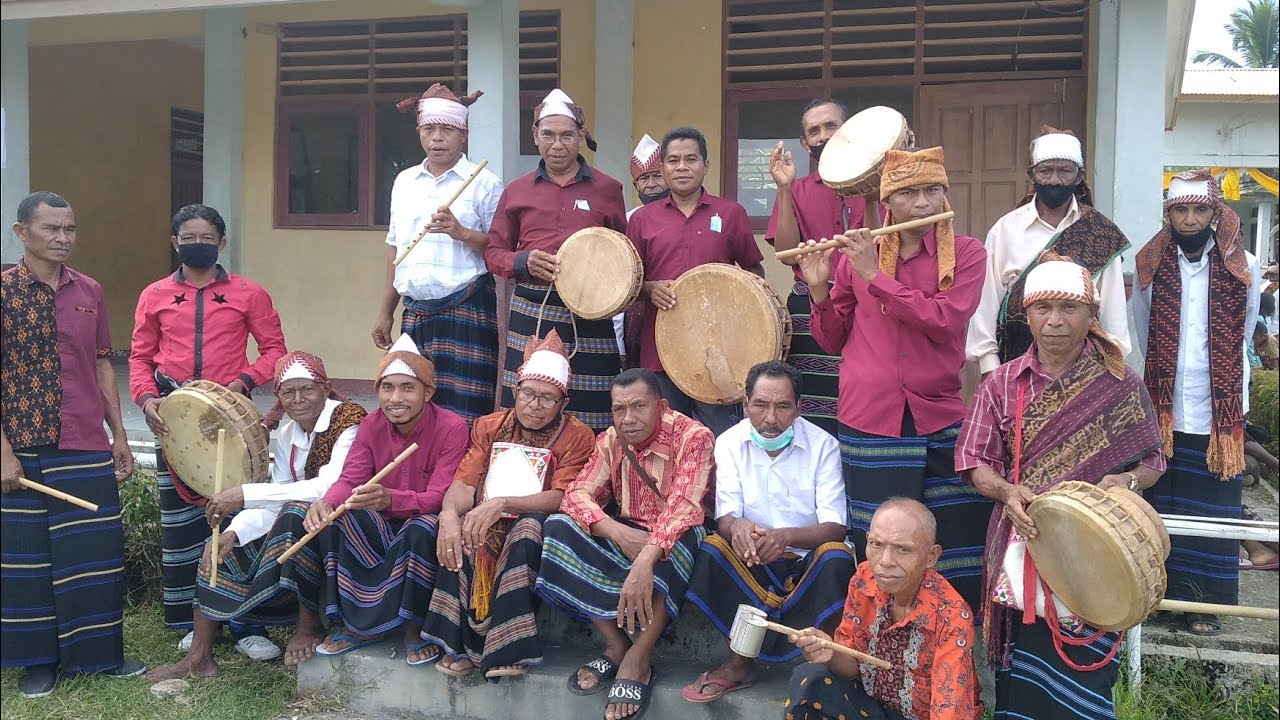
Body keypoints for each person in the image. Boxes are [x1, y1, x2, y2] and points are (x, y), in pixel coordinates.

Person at [956, 256, 1165, 719]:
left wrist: (1125, 482)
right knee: (1021, 672)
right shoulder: (1000, 385)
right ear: (1025, 316)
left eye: (1069, 309)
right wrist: (1008, 492)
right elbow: (972, 462)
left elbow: (1153, 460)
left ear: (1092, 315)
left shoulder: (1120, 384)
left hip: (1094, 551)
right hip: (1021, 542)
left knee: (1085, 673)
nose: (1054, 321)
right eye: (1042, 308)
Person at [795, 146, 992, 611]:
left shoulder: (967, 253)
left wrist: (874, 276)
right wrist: (820, 287)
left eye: (933, 190)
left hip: (939, 415)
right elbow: (831, 339)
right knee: (882, 542)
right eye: (909, 193)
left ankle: (950, 636)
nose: (923, 202)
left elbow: (945, 319)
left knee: (955, 536)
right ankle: (879, 635)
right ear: (888, 202)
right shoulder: (856, 256)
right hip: (870, 418)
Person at [144, 351, 366, 680]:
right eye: (288, 392)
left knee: (294, 515)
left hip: (346, 525)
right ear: (278, 397)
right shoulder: (290, 433)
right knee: (220, 543)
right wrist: (236, 531)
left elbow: (328, 487)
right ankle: (200, 656)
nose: (298, 399)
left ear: (325, 388)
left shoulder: (349, 420)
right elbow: (275, 498)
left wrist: (245, 493)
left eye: (307, 389)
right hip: (302, 520)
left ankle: (309, 625)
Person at [1, 192, 144, 697]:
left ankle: (99, 656)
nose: (63, 238)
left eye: (70, 229)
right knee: (28, 559)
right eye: (51, 229)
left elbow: (104, 361)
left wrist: (119, 434)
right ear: (23, 232)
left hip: (85, 440)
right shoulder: (3, 291)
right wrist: (2, 451)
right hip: (22, 443)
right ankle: (37, 662)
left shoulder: (90, 291)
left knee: (95, 554)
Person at [257, 334, 468, 665]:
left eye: (407, 388)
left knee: (422, 529)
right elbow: (350, 480)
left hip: (418, 517)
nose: (395, 398)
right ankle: (356, 626)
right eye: (387, 388)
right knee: (337, 519)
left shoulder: (452, 427)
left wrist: (389, 499)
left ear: (428, 392)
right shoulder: (372, 424)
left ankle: (414, 629)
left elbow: (439, 497)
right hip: (382, 517)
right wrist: (326, 503)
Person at [129, 203, 287, 646]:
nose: (197, 245)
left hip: (232, 426)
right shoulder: (154, 294)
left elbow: (274, 349)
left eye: (206, 238)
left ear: (222, 243)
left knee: (240, 518)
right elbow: (140, 356)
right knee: (182, 525)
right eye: (189, 238)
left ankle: (245, 625)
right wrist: (146, 399)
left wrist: (244, 382)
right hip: (175, 426)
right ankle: (188, 624)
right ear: (175, 242)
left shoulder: (249, 292)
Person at [411, 329, 596, 678]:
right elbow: (464, 484)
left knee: (524, 531)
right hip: (486, 516)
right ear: (516, 391)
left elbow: (562, 497)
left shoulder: (578, 435)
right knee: (461, 530)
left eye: (547, 398)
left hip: (534, 519)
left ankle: (507, 648)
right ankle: (460, 646)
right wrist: (450, 515)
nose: (535, 405)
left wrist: (502, 503)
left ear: (563, 403)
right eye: (528, 394)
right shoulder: (488, 426)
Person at [535, 368, 714, 720]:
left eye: (638, 407)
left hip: (675, 535)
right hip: (627, 532)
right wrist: (618, 532)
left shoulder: (694, 436)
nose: (628, 418)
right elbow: (576, 495)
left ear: (660, 406)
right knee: (557, 526)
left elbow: (685, 508)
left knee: (689, 540)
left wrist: (645, 560)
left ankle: (638, 657)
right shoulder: (611, 440)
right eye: (619, 409)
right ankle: (616, 644)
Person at [1133, 170, 1262, 637]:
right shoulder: (1150, 263)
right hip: (1164, 406)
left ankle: (1205, 605)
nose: (1190, 220)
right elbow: (1142, 328)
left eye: (1199, 210)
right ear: (1168, 214)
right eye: (1180, 211)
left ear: (1215, 213)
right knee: (1162, 503)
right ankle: (1157, 597)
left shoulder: (1241, 262)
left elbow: (1246, 329)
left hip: (1218, 413)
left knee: (1213, 507)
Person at [681, 361, 854, 704]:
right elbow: (726, 517)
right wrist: (738, 527)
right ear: (745, 405)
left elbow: (835, 525)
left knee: (837, 556)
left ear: (799, 408)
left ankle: (826, 660)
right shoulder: (729, 442)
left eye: (783, 406)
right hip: (754, 561)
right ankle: (741, 661)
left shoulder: (824, 446)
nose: (770, 418)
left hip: (806, 564)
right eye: (760, 405)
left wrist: (785, 537)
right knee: (713, 547)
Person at [484, 88, 627, 433]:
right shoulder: (516, 191)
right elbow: (493, 251)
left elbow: (625, 253)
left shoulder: (608, 189)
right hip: (533, 307)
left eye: (567, 135)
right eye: (548, 135)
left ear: (580, 137)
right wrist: (522, 262)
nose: (557, 144)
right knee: (530, 402)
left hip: (592, 312)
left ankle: (591, 481)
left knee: (593, 408)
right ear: (535, 136)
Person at [372, 83, 505, 424]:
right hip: (415, 312)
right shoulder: (404, 182)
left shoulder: (484, 182)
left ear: (463, 135)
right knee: (413, 411)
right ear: (418, 132)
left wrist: (460, 232)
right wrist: (386, 312)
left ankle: (464, 478)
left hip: (468, 307)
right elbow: (395, 249)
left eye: (447, 129)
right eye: (429, 129)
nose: (437, 138)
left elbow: (502, 248)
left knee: (465, 412)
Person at [782, 498, 981, 720]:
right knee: (811, 676)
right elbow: (851, 667)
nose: (885, 561)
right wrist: (831, 653)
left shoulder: (951, 616)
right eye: (876, 544)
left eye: (903, 549)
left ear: (931, 557)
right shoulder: (863, 580)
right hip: (873, 708)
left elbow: (949, 712)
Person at [628, 126, 766, 436]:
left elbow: (755, 273)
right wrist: (649, 289)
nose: (682, 167)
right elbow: (627, 285)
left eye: (691, 159)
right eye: (673, 160)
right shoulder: (642, 220)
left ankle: (720, 488)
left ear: (706, 165)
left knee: (722, 437)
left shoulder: (730, 213)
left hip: (719, 351)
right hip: (661, 348)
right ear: (662, 168)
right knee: (667, 436)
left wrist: (730, 292)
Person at [966, 126, 1132, 375]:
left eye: (1064, 171)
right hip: (1014, 369)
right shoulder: (1006, 230)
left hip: (1084, 373)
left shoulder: (1101, 233)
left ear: (1078, 176)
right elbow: (985, 305)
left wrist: (1106, 375)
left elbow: (1114, 318)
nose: (1054, 180)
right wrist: (990, 370)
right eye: (1046, 171)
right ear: (1032, 176)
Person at [767, 98, 880, 436]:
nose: (823, 135)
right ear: (805, 143)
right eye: (813, 131)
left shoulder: (876, 184)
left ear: (846, 130)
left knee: (861, 390)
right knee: (811, 402)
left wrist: (872, 191)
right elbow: (787, 254)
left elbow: (883, 246)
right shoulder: (797, 189)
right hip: (808, 304)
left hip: (865, 299)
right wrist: (784, 189)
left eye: (831, 125)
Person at [620, 133, 668, 367]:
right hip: (640, 320)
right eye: (644, 179)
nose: (651, 185)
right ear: (635, 185)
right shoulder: (628, 221)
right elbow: (621, 284)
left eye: (657, 176)